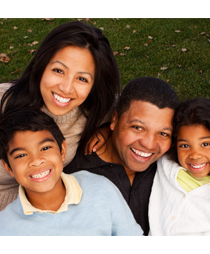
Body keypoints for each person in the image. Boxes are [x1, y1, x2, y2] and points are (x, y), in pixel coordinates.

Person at [0, 21, 121, 211]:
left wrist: (108, 129)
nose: (66, 88)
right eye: (58, 70)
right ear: (41, 66)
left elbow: (141, 112)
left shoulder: (93, 110)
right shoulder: (4, 101)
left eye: (82, 79)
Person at [64, 76, 179, 235]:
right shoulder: (73, 177)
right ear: (114, 119)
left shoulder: (172, 167)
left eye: (163, 133)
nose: (149, 144)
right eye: (138, 128)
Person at [0, 109, 142, 236]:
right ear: (8, 167)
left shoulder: (101, 188)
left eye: (45, 148)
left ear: (62, 151)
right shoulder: (5, 229)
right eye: (21, 155)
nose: (36, 161)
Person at [148, 98, 210, 236]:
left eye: (205, 144)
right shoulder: (166, 164)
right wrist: (105, 129)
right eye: (185, 146)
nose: (194, 155)